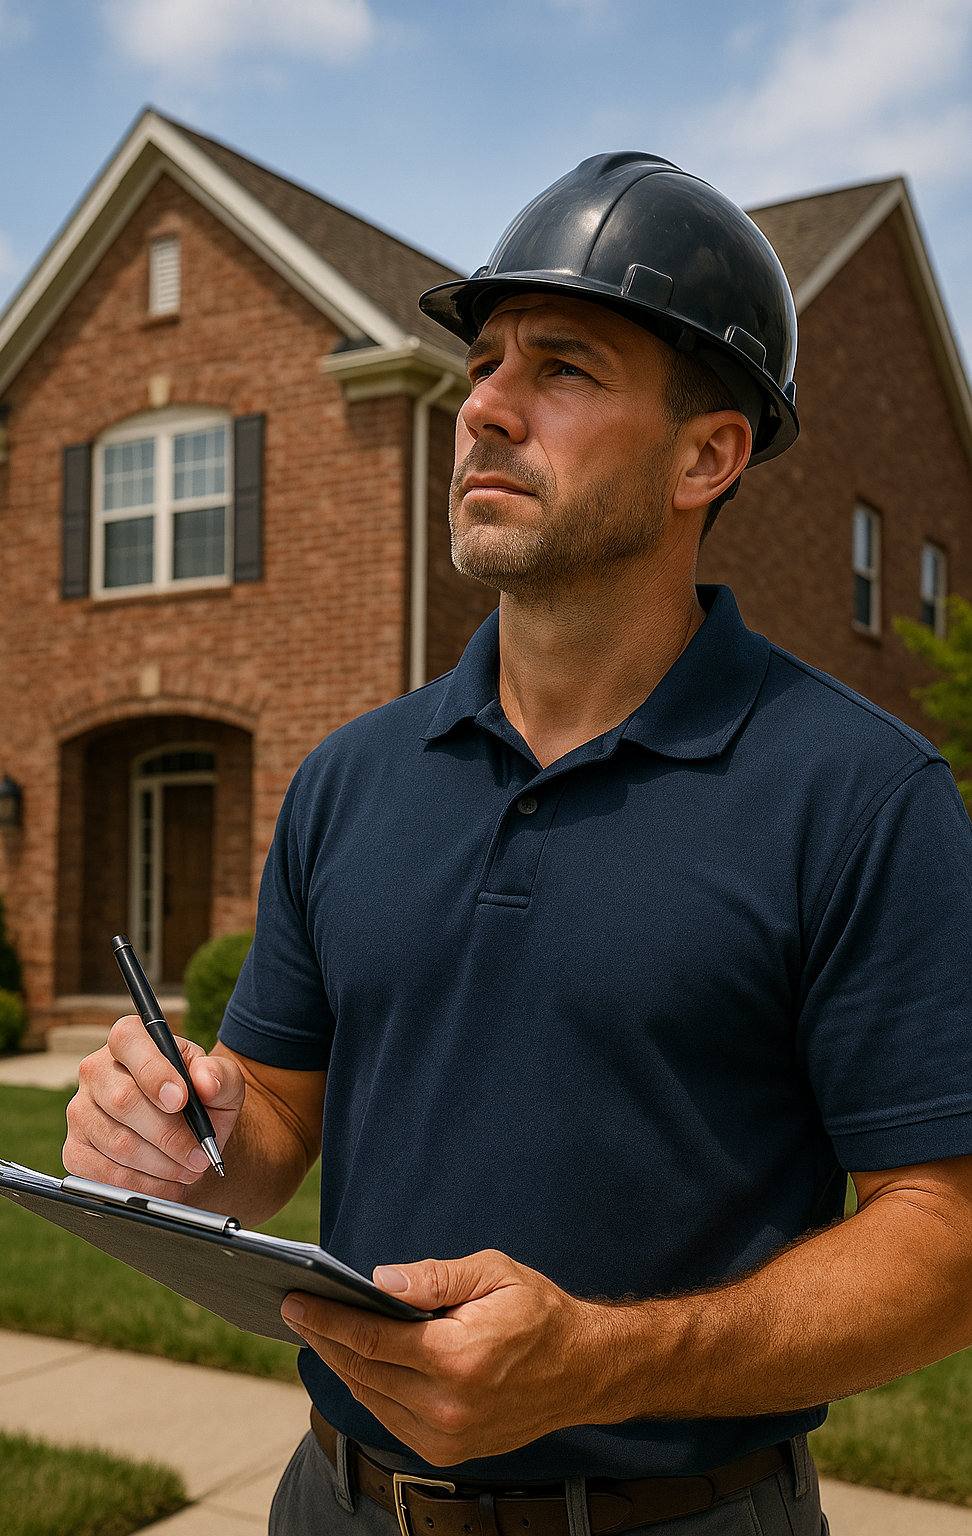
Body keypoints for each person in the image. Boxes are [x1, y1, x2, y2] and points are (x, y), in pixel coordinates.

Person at [65, 154, 972, 1536]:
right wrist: (187, 1134)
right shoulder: (349, 780)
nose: (481, 407)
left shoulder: (860, 794)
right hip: (336, 1503)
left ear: (707, 454)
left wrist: (606, 1360)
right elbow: (274, 1131)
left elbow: (946, 1236)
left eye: (561, 369)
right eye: (483, 365)